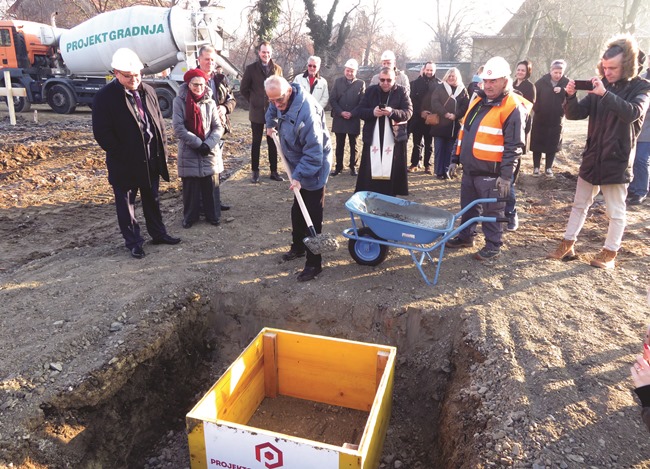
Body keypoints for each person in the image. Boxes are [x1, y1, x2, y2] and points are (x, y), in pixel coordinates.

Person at [548, 34, 650, 269]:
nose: (608, 72)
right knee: (579, 204)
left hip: (617, 159)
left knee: (615, 211)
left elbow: (633, 112)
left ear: (627, 65)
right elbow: (575, 114)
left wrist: (604, 93)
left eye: (613, 68)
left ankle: (610, 252)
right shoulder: (601, 84)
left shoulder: (642, 87)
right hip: (593, 156)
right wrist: (571, 96)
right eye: (604, 67)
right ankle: (568, 243)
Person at [92, 48, 180, 259]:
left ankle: (158, 234)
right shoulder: (105, 98)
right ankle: (134, 242)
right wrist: (123, 153)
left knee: (153, 199)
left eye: (137, 75)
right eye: (128, 76)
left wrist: (163, 151)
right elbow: (102, 134)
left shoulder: (148, 90)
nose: (134, 79)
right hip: (125, 162)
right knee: (127, 205)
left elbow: (158, 122)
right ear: (116, 73)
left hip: (151, 157)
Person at [445, 56, 531, 260]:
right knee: (468, 206)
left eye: (494, 81)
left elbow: (514, 146)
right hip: (470, 168)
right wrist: (454, 159)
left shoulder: (512, 107)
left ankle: (493, 245)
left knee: (494, 212)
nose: (489, 85)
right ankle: (466, 236)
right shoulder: (477, 99)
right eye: (486, 81)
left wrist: (506, 176)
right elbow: (463, 131)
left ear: (505, 80)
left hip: (492, 173)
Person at [264, 76, 332, 282]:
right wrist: (270, 124)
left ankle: (314, 263)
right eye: (272, 101)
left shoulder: (307, 113)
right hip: (296, 162)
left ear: (289, 92)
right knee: (297, 210)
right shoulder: (278, 99)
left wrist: (299, 176)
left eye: (280, 101)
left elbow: (314, 154)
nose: (277, 105)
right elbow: (272, 110)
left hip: (314, 166)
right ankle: (299, 246)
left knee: (311, 212)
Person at [172, 69, 223, 228]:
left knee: (210, 184)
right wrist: (197, 143)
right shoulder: (179, 101)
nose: (199, 87)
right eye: (195, 84)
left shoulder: (211, 102)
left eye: (201, 84)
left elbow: (218, 127)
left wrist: (208, 144)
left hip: (209, 149)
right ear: (188, 84)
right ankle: (190, 217)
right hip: (189, 149)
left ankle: (213, 215)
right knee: (191, 187)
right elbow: (178, 128)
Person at [354, 67, 413, 196]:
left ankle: (390, 196)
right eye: (382, 80)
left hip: (394, 139)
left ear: (394, 79)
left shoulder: (401, 91)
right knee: (371, 171)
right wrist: (372, 112)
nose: (385, 83)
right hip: (373, 136)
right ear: (378, 79)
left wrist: (392, 112)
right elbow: (359, 111)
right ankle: (371, 195)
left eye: (389, 80)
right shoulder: (370, 91)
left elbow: (408, 112)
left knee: (391, 171)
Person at [197, 44, 236, 211]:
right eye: (207, 59)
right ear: (199, 60)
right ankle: (199, 204)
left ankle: (214, 202)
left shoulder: (220, 79)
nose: (210, 63)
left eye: (212, 60)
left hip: (219, 131)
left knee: (216, 168)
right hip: (199, 132)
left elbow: (232, 99)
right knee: (200, 169)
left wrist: (225, 108)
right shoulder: (193, 79)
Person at [240, 41, 284, 183]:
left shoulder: (277, 69)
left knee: (273, 142)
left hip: (273, 111)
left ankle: (274, 171)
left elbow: (281, 88)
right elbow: (243, 89)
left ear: (271, 53)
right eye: (263, 52)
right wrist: (253, 101)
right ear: (259, 53)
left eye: (268, 52)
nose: (266, 55)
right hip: (257, 112)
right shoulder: (251, 69)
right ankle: (255, 171)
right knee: (256, 142)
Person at [507, 59, 537, 231]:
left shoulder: (529, 87)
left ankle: (512, 214)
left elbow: (528, 107)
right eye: (518, 69)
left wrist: (516, 96)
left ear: (527, 72)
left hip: (518, 129)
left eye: (522, 70)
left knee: (509, 177)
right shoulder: (509, 83)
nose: (519, 72)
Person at [428, 67, 469, 180]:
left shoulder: (462, 90)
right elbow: (435, 103)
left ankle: (447, 171)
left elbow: (465, 105)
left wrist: (456, 115)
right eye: (449, 76)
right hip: (440, 124)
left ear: (457, 77)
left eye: (453, 76)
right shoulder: (440, 88)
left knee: (451, 149)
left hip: (453, 125)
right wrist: (445, 113)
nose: (451, 78)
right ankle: (438, 171)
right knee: (439, 149)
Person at [530, 59, 569, 177]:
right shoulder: (542, 82)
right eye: (555, 72)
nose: (557, 75)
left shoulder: (567, 83)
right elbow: (534, 96)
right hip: (540, 118)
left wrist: (563, 90)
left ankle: (548, 168)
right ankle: (536, 167)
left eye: (560, 73)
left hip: (556, 119)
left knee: (552, 144)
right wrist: (537, 110)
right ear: (551, 71)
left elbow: (572, 96)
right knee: (537, 143)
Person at [329, 58, 365, 176]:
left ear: (356, 72)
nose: (349, 73)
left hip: (353, 118)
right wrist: (341, 112)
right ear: (345, 70)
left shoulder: (361, 83)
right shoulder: (338, 81)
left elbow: (362, 102)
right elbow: (333, 99)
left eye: (352, 71)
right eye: (348, 70)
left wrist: (353, 113)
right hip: (340, 118)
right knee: (339, 144)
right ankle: (338, 167)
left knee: (354, 144)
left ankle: (353, 166)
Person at [408, 61, 440, 173]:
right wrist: (420, 112)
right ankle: (414, 163)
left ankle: (427, 165)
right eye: (428, 69)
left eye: (431, 70)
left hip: (432, 118)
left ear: (434, 71)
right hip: (417, 117)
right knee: (416, 142)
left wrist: (431, 113)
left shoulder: (439, 84)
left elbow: (439, 101)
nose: (429, 72)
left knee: (429, 143)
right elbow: (412, 100)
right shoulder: (415, 84)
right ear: (424, 69)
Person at [627, 56, 649, 206]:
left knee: (641, 159)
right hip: (641, 126)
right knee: (636, 159)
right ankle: (635, 189)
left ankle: (641, 190)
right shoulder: (641, 80)